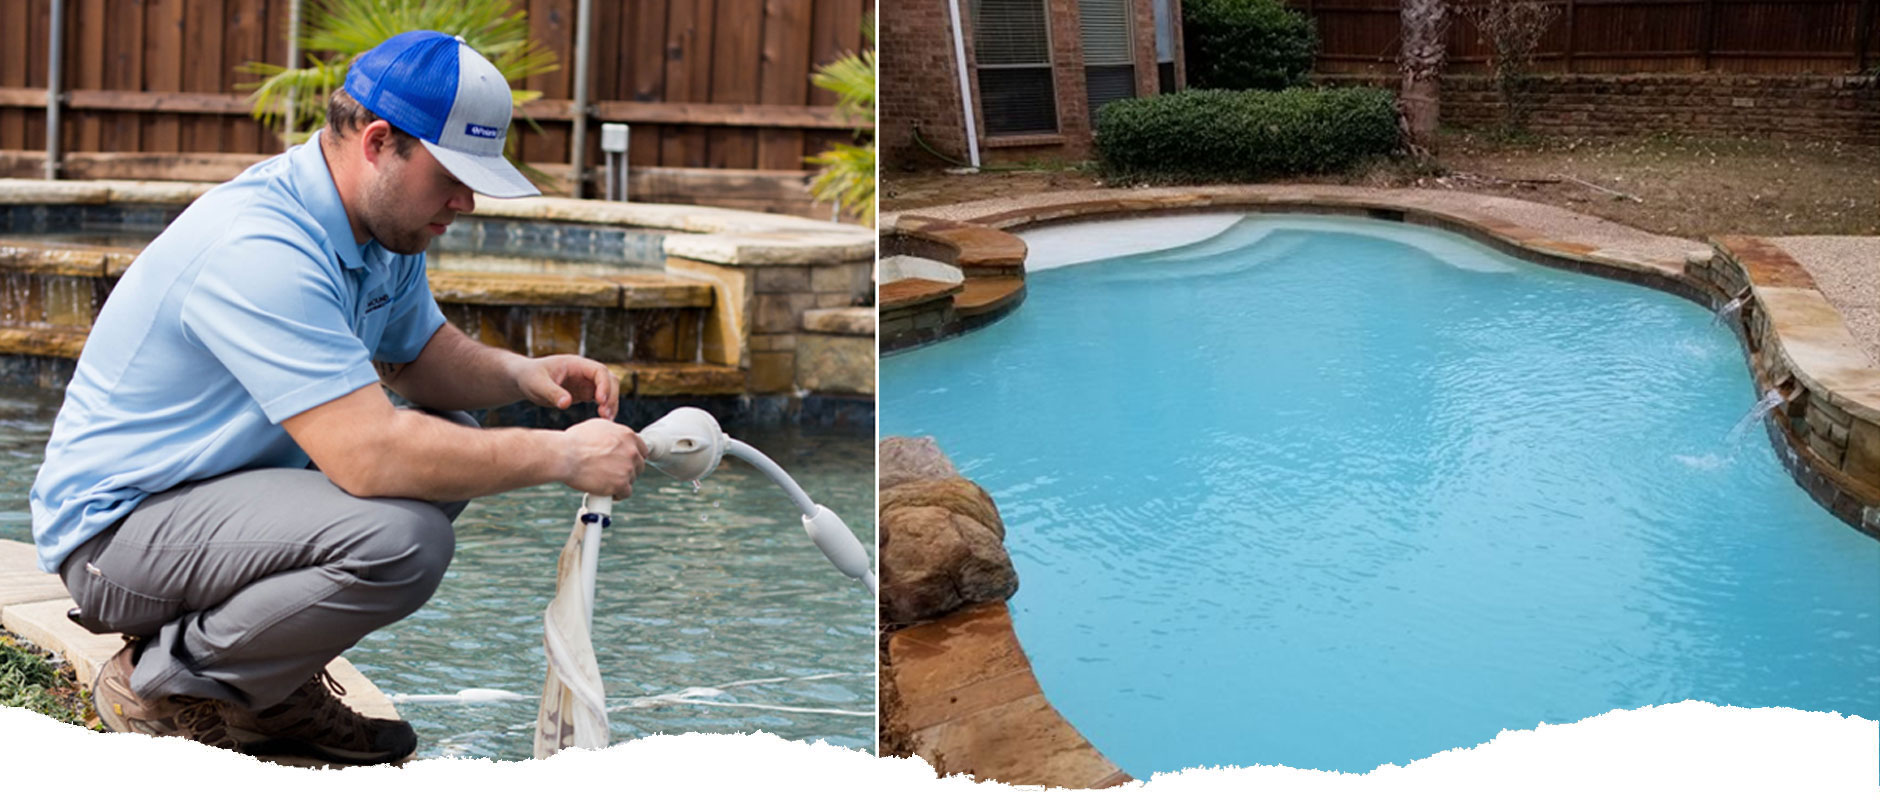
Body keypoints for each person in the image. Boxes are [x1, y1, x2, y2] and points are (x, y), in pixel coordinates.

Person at [27, 30, 647, 764]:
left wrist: (519, 375)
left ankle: (264, 689)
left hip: (210, 505)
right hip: (117, 538)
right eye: (451, 173)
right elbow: (370, 457)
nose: (466, 201)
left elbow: (416, 354)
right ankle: (165, 683)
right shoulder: (262, 247)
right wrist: (564, 455)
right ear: (380, 142)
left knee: (452, 431)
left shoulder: (379, 227)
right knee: (403, 540)